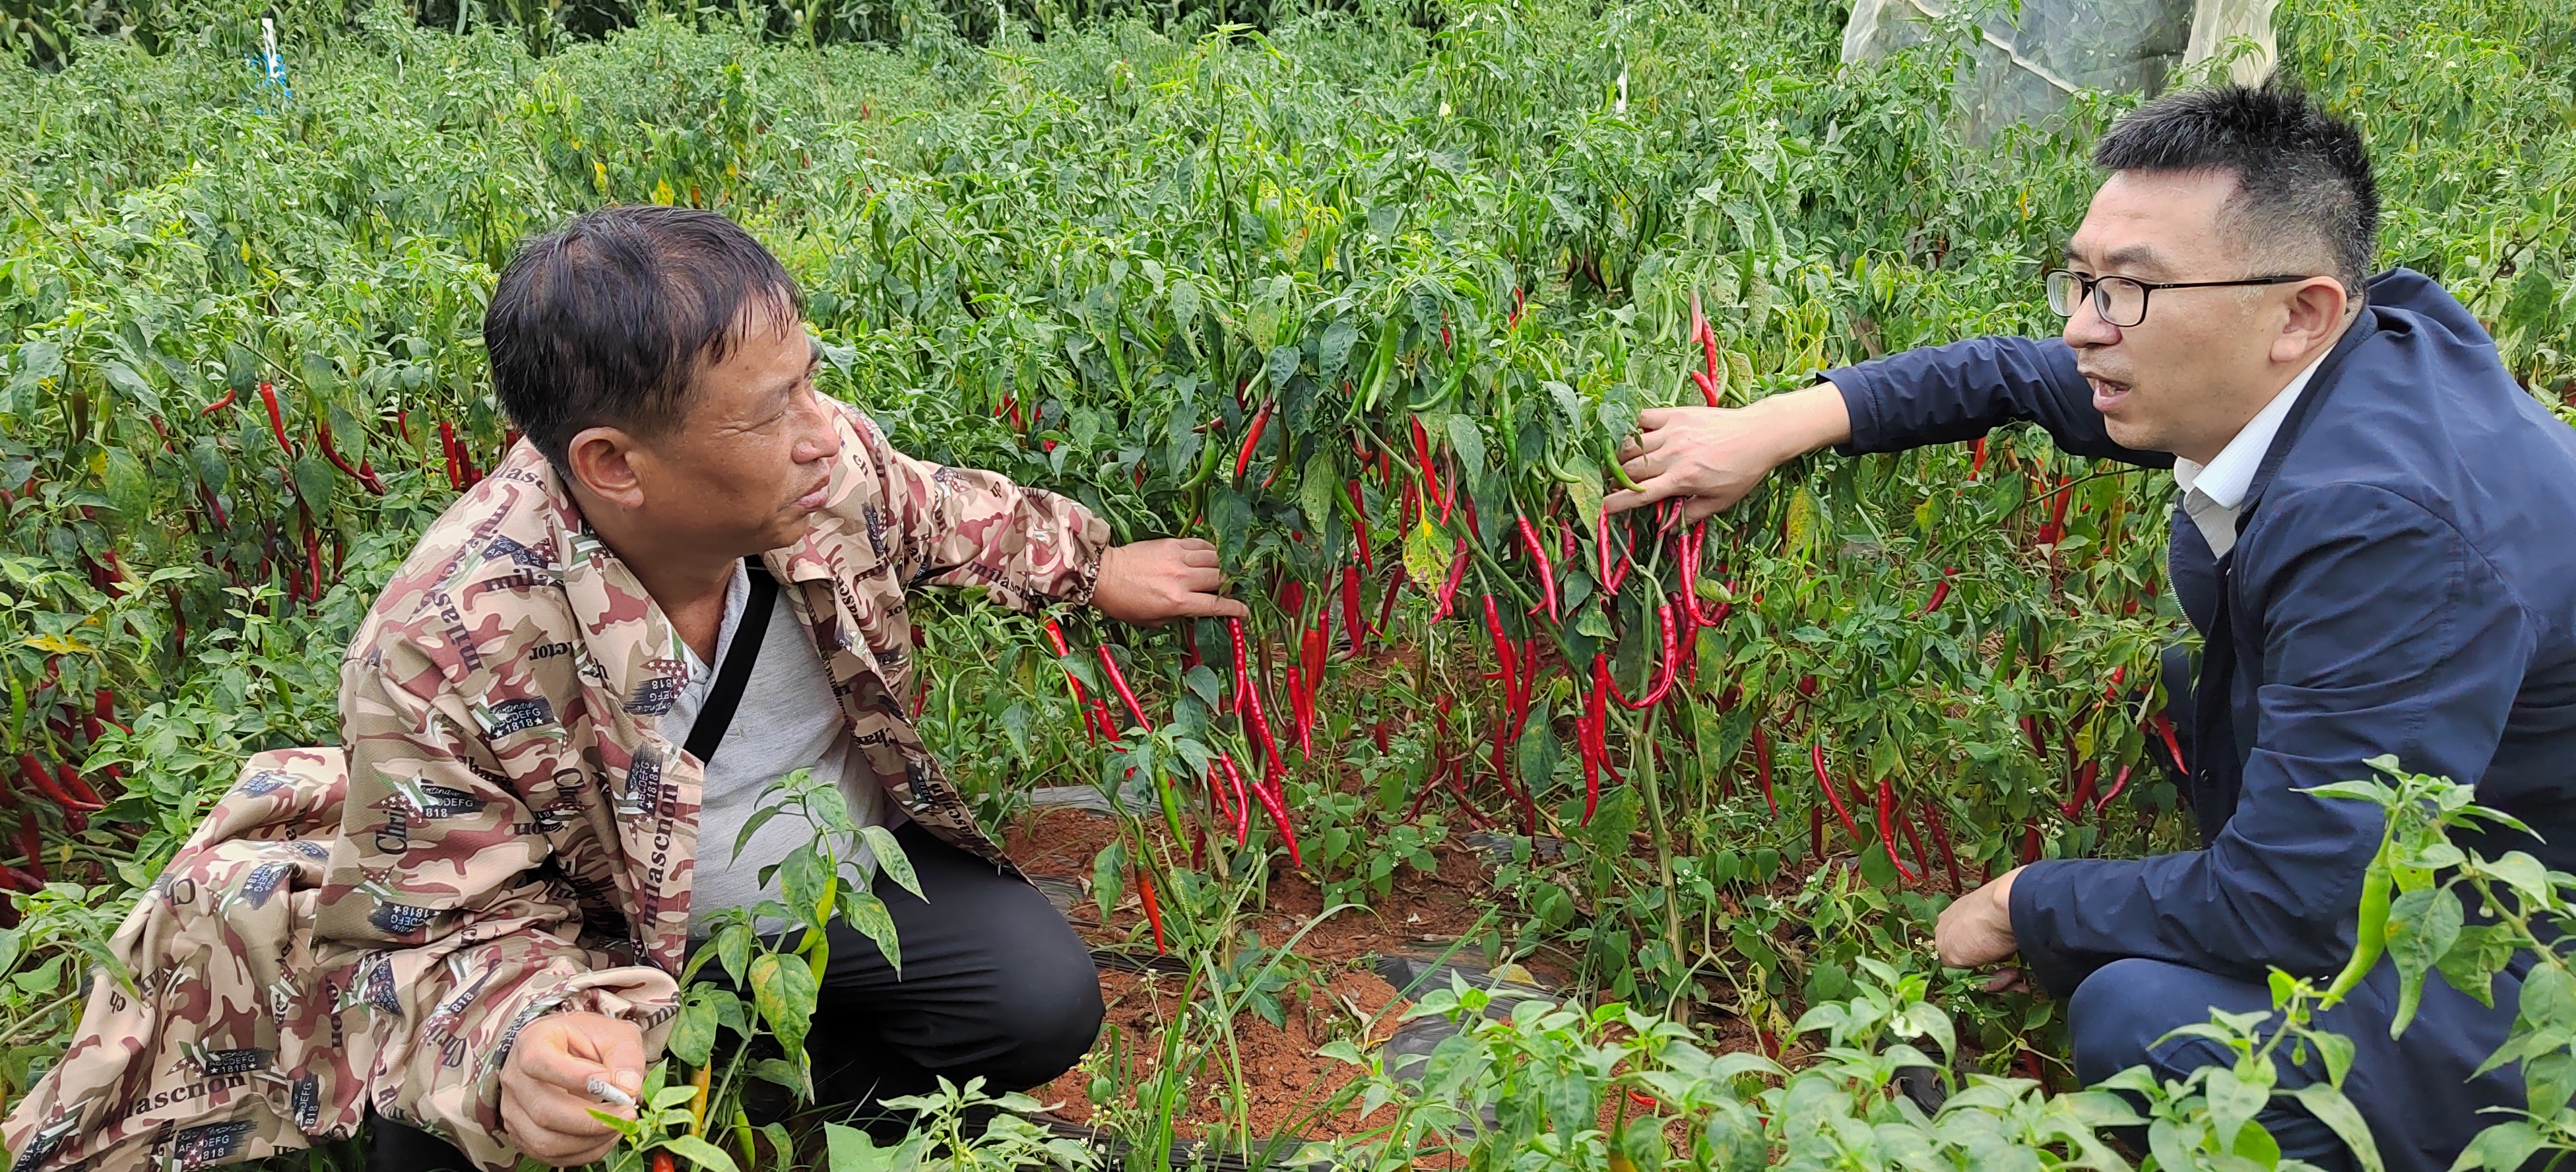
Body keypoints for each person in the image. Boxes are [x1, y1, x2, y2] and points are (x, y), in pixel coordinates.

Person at [0, 206, 1247, 1172]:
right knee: (468, 1131)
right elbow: (437, 929)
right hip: (596, 934)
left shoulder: (820, 468)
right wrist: (519, 1042)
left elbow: (937, 509)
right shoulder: (451, 638)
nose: (825, 428)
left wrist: (1093, 565)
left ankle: (788, 1107)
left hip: (830, 887)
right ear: (614, 464)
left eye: (811, 379)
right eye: (775, 409)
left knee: (1037, 1001)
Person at [1604, 84, 2576, 1171]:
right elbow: (2022, 376)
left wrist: (2027, 904)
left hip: (2540, 945)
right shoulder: (2338, 355)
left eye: (2133, 291)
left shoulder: (2385, 526)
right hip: (2462, 836)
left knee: (2145, 1019)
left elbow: (2293, 902)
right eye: (2084, 281)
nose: (2084, 325)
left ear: (2300, 311)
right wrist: (1777, 423)